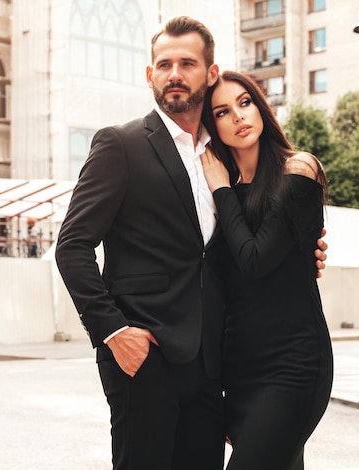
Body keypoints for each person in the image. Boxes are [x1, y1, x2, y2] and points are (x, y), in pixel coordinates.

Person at [55, 16, 327, 470]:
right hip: (145, 359)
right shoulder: (120, 145)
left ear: (210, 73)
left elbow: (252, 243)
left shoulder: (222, 157)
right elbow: (72, 246)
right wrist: (112, 332)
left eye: (187, 63)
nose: (175, 74)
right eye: (164, 64)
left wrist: (307, 252)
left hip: (214, 368)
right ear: (150, 75)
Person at [200, 70, 333, 470]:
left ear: (261, 107)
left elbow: (254, 261)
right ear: (212, 126)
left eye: (245, 102)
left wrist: (221, 189)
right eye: (222, 111)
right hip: (240, 372)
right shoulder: (221, 193)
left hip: (294, 362)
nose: (238, 116)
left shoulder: (299, 170)